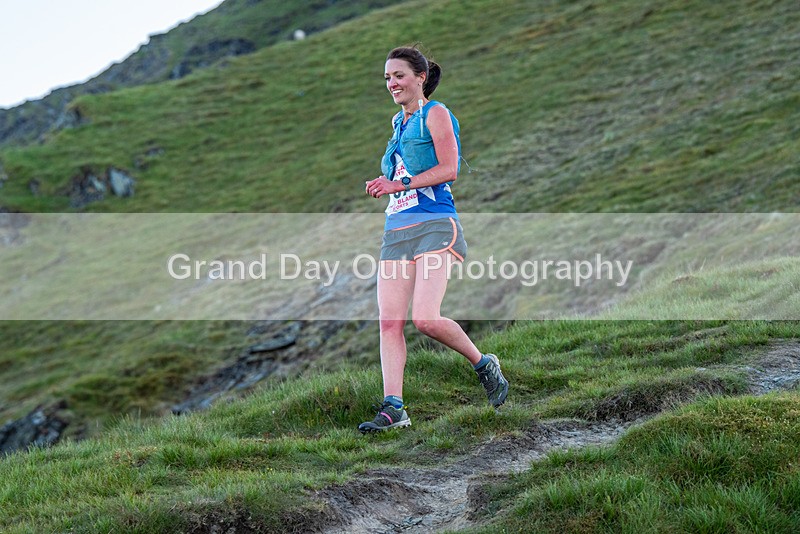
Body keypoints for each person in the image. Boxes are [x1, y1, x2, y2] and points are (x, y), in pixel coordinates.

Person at [359, 46, 509, 434]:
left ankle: (482, 363)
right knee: (389, 322)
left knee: (425, 318)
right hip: (398, 229)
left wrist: (400, 182)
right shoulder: (398, 121)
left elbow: (450, 169)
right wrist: (386, 187)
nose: (392, 83)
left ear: (420, 77)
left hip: (435, 223)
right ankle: (394, 408)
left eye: (399, 76)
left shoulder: (436, 113)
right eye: (387, 78)